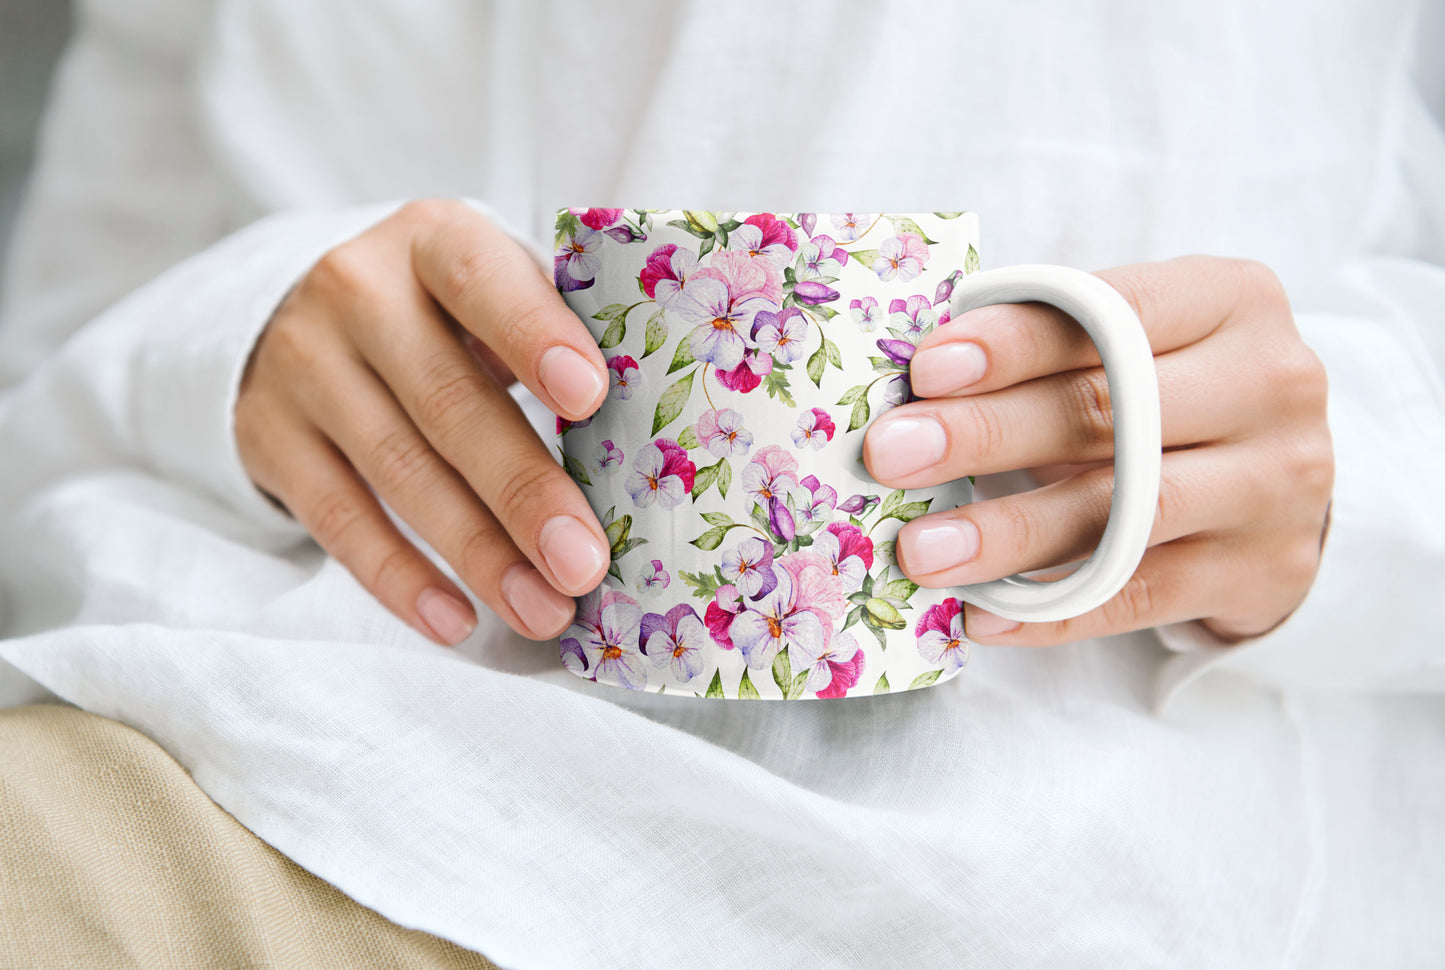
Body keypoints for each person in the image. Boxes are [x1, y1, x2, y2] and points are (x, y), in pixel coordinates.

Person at [0, 1, 1441, 967]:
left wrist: (1350, 474)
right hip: (307, 745)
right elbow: (56, 350)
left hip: (1097, 855)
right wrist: (239, 338)